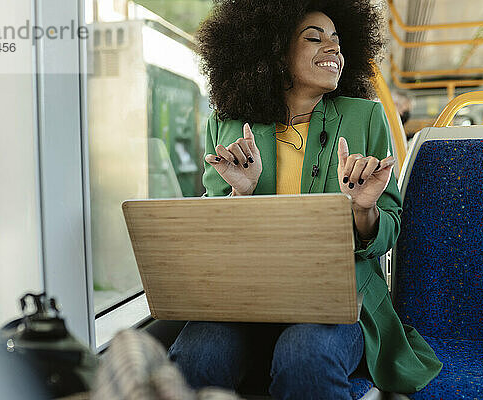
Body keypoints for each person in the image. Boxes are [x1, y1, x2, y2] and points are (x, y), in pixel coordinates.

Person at [168, 0, 442, 398]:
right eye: (314, 38)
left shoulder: (365, 117)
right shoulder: (225, 125)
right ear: (275, 50)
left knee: (305, 356)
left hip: (338, 300)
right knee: (195, 356)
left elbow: (391, 228)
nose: (333, 48)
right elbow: (217, 240)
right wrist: (239, 194)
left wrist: (363, 209)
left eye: (338, 41)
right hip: (247, 297)